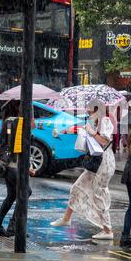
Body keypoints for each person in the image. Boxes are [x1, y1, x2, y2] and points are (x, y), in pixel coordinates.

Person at [50, 100, 115, 240]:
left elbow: (105, 142)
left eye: (90, 110)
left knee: (99, 195)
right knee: (77, 187)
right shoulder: (93, 122)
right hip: (95, 162)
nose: (87, 113)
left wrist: (91, 133)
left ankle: (108, 230)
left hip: (104, 164)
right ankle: (66, 219)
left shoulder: (105, 121)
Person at [0, 100, 34, 237]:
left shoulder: (8, 121)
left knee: (12, 196)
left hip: (7, 165)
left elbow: (11, 145)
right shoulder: (15, 122)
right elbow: (17, 146)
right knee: (25, 192)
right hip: (13, 166)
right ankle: (13, 226)